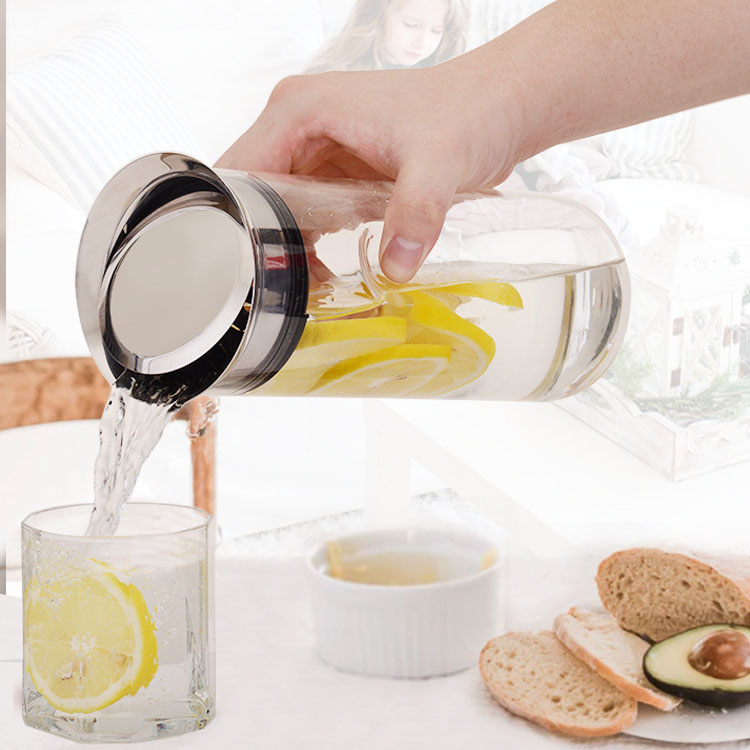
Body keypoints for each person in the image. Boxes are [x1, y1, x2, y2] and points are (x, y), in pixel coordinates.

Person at [217, 0, 750, 284]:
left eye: (432, 31)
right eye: (411, 23)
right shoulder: (347, 76)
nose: (421, 40)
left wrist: (502, 103)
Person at [303, 0, 470, 74]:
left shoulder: (440, 73)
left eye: (436, 31)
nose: (422, 43)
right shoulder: (335, 73)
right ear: (376, 16)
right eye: (411, 24)